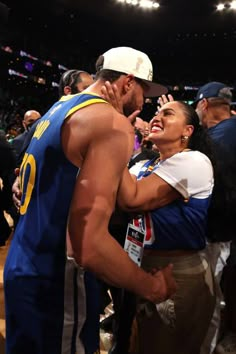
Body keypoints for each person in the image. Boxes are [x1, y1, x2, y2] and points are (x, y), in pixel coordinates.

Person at [4, 46, 176, 354]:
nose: (146, 99)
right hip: (57, 277)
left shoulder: (61, 106)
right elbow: (89, 246)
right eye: (144, 89)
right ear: (127, 82)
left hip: (22, 262)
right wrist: (151, 287)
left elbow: (127, 195)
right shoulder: (108, 122)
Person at [115, 100, 216, 354]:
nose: (156, 118)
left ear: (188, 131)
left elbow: (130, 198)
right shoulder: (145, 165)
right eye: (157, 113)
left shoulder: (194, 161)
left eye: (168, 114)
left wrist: (115, 140)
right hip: (141, 268)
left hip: (176, 271)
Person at [193, 81, 236, 354]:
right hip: (229, 232)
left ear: (203, 104)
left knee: (209, 300)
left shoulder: (216, 138)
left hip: (217, 233)